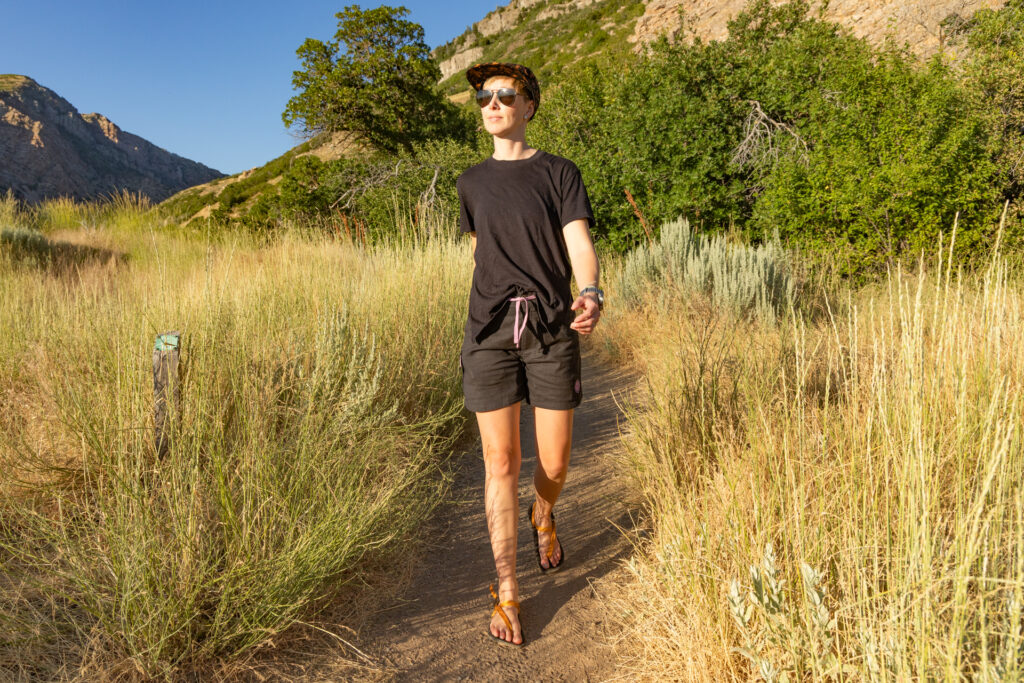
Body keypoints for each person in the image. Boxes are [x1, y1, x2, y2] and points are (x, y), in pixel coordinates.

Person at [456, 62, 603, 647]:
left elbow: (579, 244)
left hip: (549, 328)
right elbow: (482, 253)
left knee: (556, 462)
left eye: (504, 95)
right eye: (484, 98)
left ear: (529, 105)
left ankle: (544, 512)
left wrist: (588, 292)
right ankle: (508, 588)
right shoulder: (469, 183)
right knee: (499, 463)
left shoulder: (559, 172)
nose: (492, 104)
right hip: (489, 332)